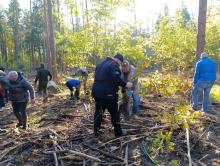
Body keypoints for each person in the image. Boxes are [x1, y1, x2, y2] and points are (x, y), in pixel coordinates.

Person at [92, 53, 133, 137]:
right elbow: (116, 78)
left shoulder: (100, 63)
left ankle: (96, 132)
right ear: (119, 61)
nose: (120, 65)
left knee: (99, 112)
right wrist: (125, 84)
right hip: (108, 94)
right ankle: (119, 133)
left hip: (97, 92)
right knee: (114, 113)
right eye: (120, 64)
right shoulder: (114, 65)